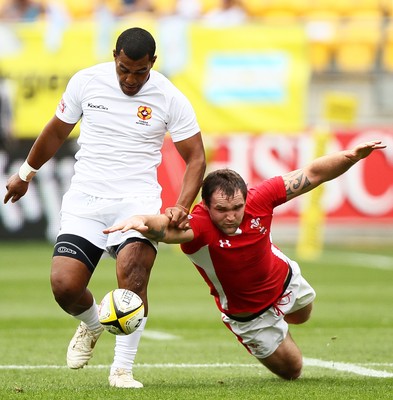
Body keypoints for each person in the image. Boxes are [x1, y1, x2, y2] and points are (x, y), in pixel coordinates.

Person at [4, 27, 206, 388]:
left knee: (133, 275)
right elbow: (55, 131)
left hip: (137, 201)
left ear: (152, 64)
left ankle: (122, 369)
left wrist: (181, 205)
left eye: (139, 72)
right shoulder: (87, 82)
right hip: (86, 199)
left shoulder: (169, 97)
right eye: (124, 69)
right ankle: (94, 324)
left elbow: (196, 158)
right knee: (64, 286)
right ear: (115, 56)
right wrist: (25, 173)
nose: (130, 79)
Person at [104, 140, 385, 380]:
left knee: (303, 314)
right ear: (206, 205)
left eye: (237, 207)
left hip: (285, 280)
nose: (231, 216)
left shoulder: (261, 198)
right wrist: (141, 219)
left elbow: (313, 173)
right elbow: (165, 227)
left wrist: (350, 157)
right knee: (293, 370)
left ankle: (284, 319)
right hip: (249, 315)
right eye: (222, 209)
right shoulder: (199, 225)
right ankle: (269, 334)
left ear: (245, 198)